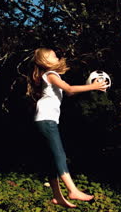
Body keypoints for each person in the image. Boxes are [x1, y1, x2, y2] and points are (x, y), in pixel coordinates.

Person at [29, 47, 108, 208]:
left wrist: (90, 87)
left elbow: (70, 93)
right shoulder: (50, 75)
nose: (58, 57)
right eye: (54, 56)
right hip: (46, 119)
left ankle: (58, 196)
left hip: (44, 119)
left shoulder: (50, 76)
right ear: (46, 60)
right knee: (59, 154)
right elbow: (70, 89)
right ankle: (72, 190)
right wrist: (94, 87)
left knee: (51, 159)